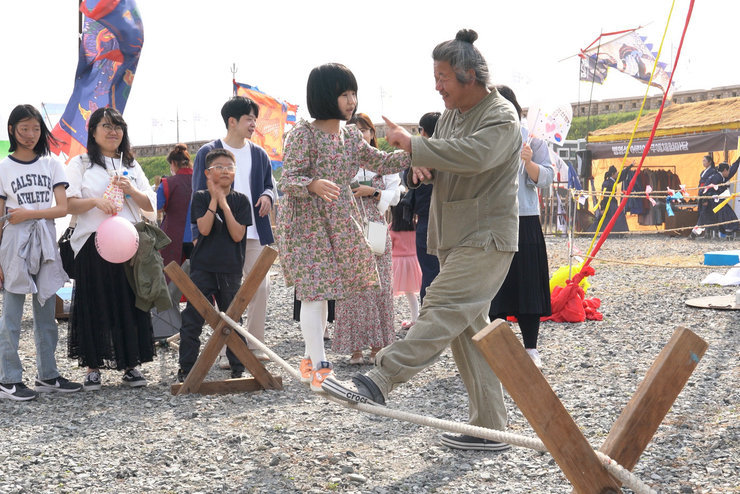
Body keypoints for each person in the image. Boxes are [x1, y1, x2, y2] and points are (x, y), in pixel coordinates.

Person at [323, 29, 522, 452]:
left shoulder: (501, 115)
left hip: (485, 238)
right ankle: (491, 426)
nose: (437, 85)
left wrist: (419, 146)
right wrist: (421, 162)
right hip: (453, 236)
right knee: (469, 332)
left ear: (471, 75)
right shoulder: (450, 114)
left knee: (440, 309)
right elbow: (447, 154)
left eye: (444, 76)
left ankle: (379, 379)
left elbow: (475, 156)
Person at [276, 62, 411, 392]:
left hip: (338, 221)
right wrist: (313, 184)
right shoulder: (303, 134)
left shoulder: (350, 135)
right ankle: (320, 367)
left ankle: (311, 362)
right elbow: (288, 179)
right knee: (314, 293)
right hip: (305, 224)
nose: (351, 101)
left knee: (325, 294)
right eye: (344, 94)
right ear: (325, 96)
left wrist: (413, 147)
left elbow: (380, 161)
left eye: (354, 93)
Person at [66, 107, 157, 390]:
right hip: (92, 243)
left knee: (130, 302)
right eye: (105, 126)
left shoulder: (130, 164)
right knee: (94, 303)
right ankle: (93, 367)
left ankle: (131, 365)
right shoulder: (81, 163)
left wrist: (131, 190)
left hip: (128, 244)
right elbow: (68, 204)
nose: (112, 131)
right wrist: (95, 202)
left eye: (117, 126)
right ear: (93, 132)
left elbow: (151, 206)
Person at [0, 104, 82, 401]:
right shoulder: (3, 167)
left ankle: (48, 374)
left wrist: (28, 214)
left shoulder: (51, 164)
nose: (30, 134)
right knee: (11, 312)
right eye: (24, 129)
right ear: (12, 130)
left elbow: (63, 207)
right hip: (14, 241)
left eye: (35, 128)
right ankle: (8, 378)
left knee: (46, 308)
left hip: (44, 236)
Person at [192, 97, 275, 364]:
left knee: (260, 287)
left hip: (253, 233)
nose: (253, 124)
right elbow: (197, 193)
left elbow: (270, 185)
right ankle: (230, 348)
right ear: (232, 121)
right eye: (249, 119)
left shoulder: (259, 154)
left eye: (254, 119)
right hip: (218, 236)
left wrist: (267, 197)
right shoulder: (208, 152)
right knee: (225, 292)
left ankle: (254, 344)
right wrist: (196, 235)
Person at [488, 85, 553, 369]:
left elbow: (546, 178)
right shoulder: (485, 138)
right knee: (494, 286)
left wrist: (529, 163)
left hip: (524, 218)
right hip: (492, 219)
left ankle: (531, 348)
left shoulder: (533, 141)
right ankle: (497, 347)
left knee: (527, 284)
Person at [177, 149, 252, 381]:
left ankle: (238, 368)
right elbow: (205, 229)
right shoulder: (199, 197)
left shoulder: (241, 200)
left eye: (229, 166)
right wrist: (213, 199)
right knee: (192, 319)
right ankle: (187, 369)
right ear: (208, 172)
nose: (225, 171)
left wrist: (225, 204)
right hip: (203, 267)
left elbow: (238, 234)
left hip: (230, 268)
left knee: (233, 320)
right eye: (219, 167)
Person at [334, 113, 401, 365]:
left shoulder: (381, 163)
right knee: (352, 290)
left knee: (380, 287)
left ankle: (378, 346)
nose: (360, 134)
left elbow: (395, 195)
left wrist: (372, 192)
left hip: (375, 226)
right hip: (349, 227)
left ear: (372, 133)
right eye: (355, 130)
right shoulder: (340, 162)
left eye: (364, 130)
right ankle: (354, 348)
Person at [409, 112, 441, 304]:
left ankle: (428, 318)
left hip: (427, 222)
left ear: (424, 131)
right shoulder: (450, 154)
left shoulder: (421, 157)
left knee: (429, 274)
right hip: (449, 221)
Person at [388, 195, 422, 331]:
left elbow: (388, 247)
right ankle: (415, 319)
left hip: (397, 263)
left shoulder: (392, 228)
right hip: (413, 261)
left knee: (389, 293)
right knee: (410, 293)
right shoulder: (416, 226)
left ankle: (387, 322)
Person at [158, 143, 194, 269]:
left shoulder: (167, 183)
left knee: (172, 277)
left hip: (172, 236)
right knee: (199, 277)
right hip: (198, 235)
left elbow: (157, 206)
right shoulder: (202, 180)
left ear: (173, 163)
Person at [590, 165, 629, 234]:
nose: (617, 174)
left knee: (615, 217)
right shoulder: (607, 183)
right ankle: (594, 232)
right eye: (616, 173)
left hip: (613, 203)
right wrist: (603, 208)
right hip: (608, 204)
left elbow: (621, 175)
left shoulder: (613, 181)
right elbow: (604, 197)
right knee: (615, 217)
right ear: (612, 174)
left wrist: (629, 167)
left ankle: (618, 233)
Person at [692, 154, 723, 238]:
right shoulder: (703, 172)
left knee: (708, 213)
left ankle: (712, 233)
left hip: (708, 194)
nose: (703, 162)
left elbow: (709, 184)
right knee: (702, 212)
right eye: (703, 161)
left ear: (709, 162)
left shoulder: (712, 171)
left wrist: (705, 196)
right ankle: (706, 232)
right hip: (702, 192)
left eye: (704, 161)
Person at [714, 159, 740, 235]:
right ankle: (726, 230)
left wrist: (737, 161)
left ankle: (727, 230)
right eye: (727, 171)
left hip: (719, 201)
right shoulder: (716, 177)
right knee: (726, 214)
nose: (729, 173)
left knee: (729, 214)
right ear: (725, 170)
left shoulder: (722, 177)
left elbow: (731, 171)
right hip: (714, 202)